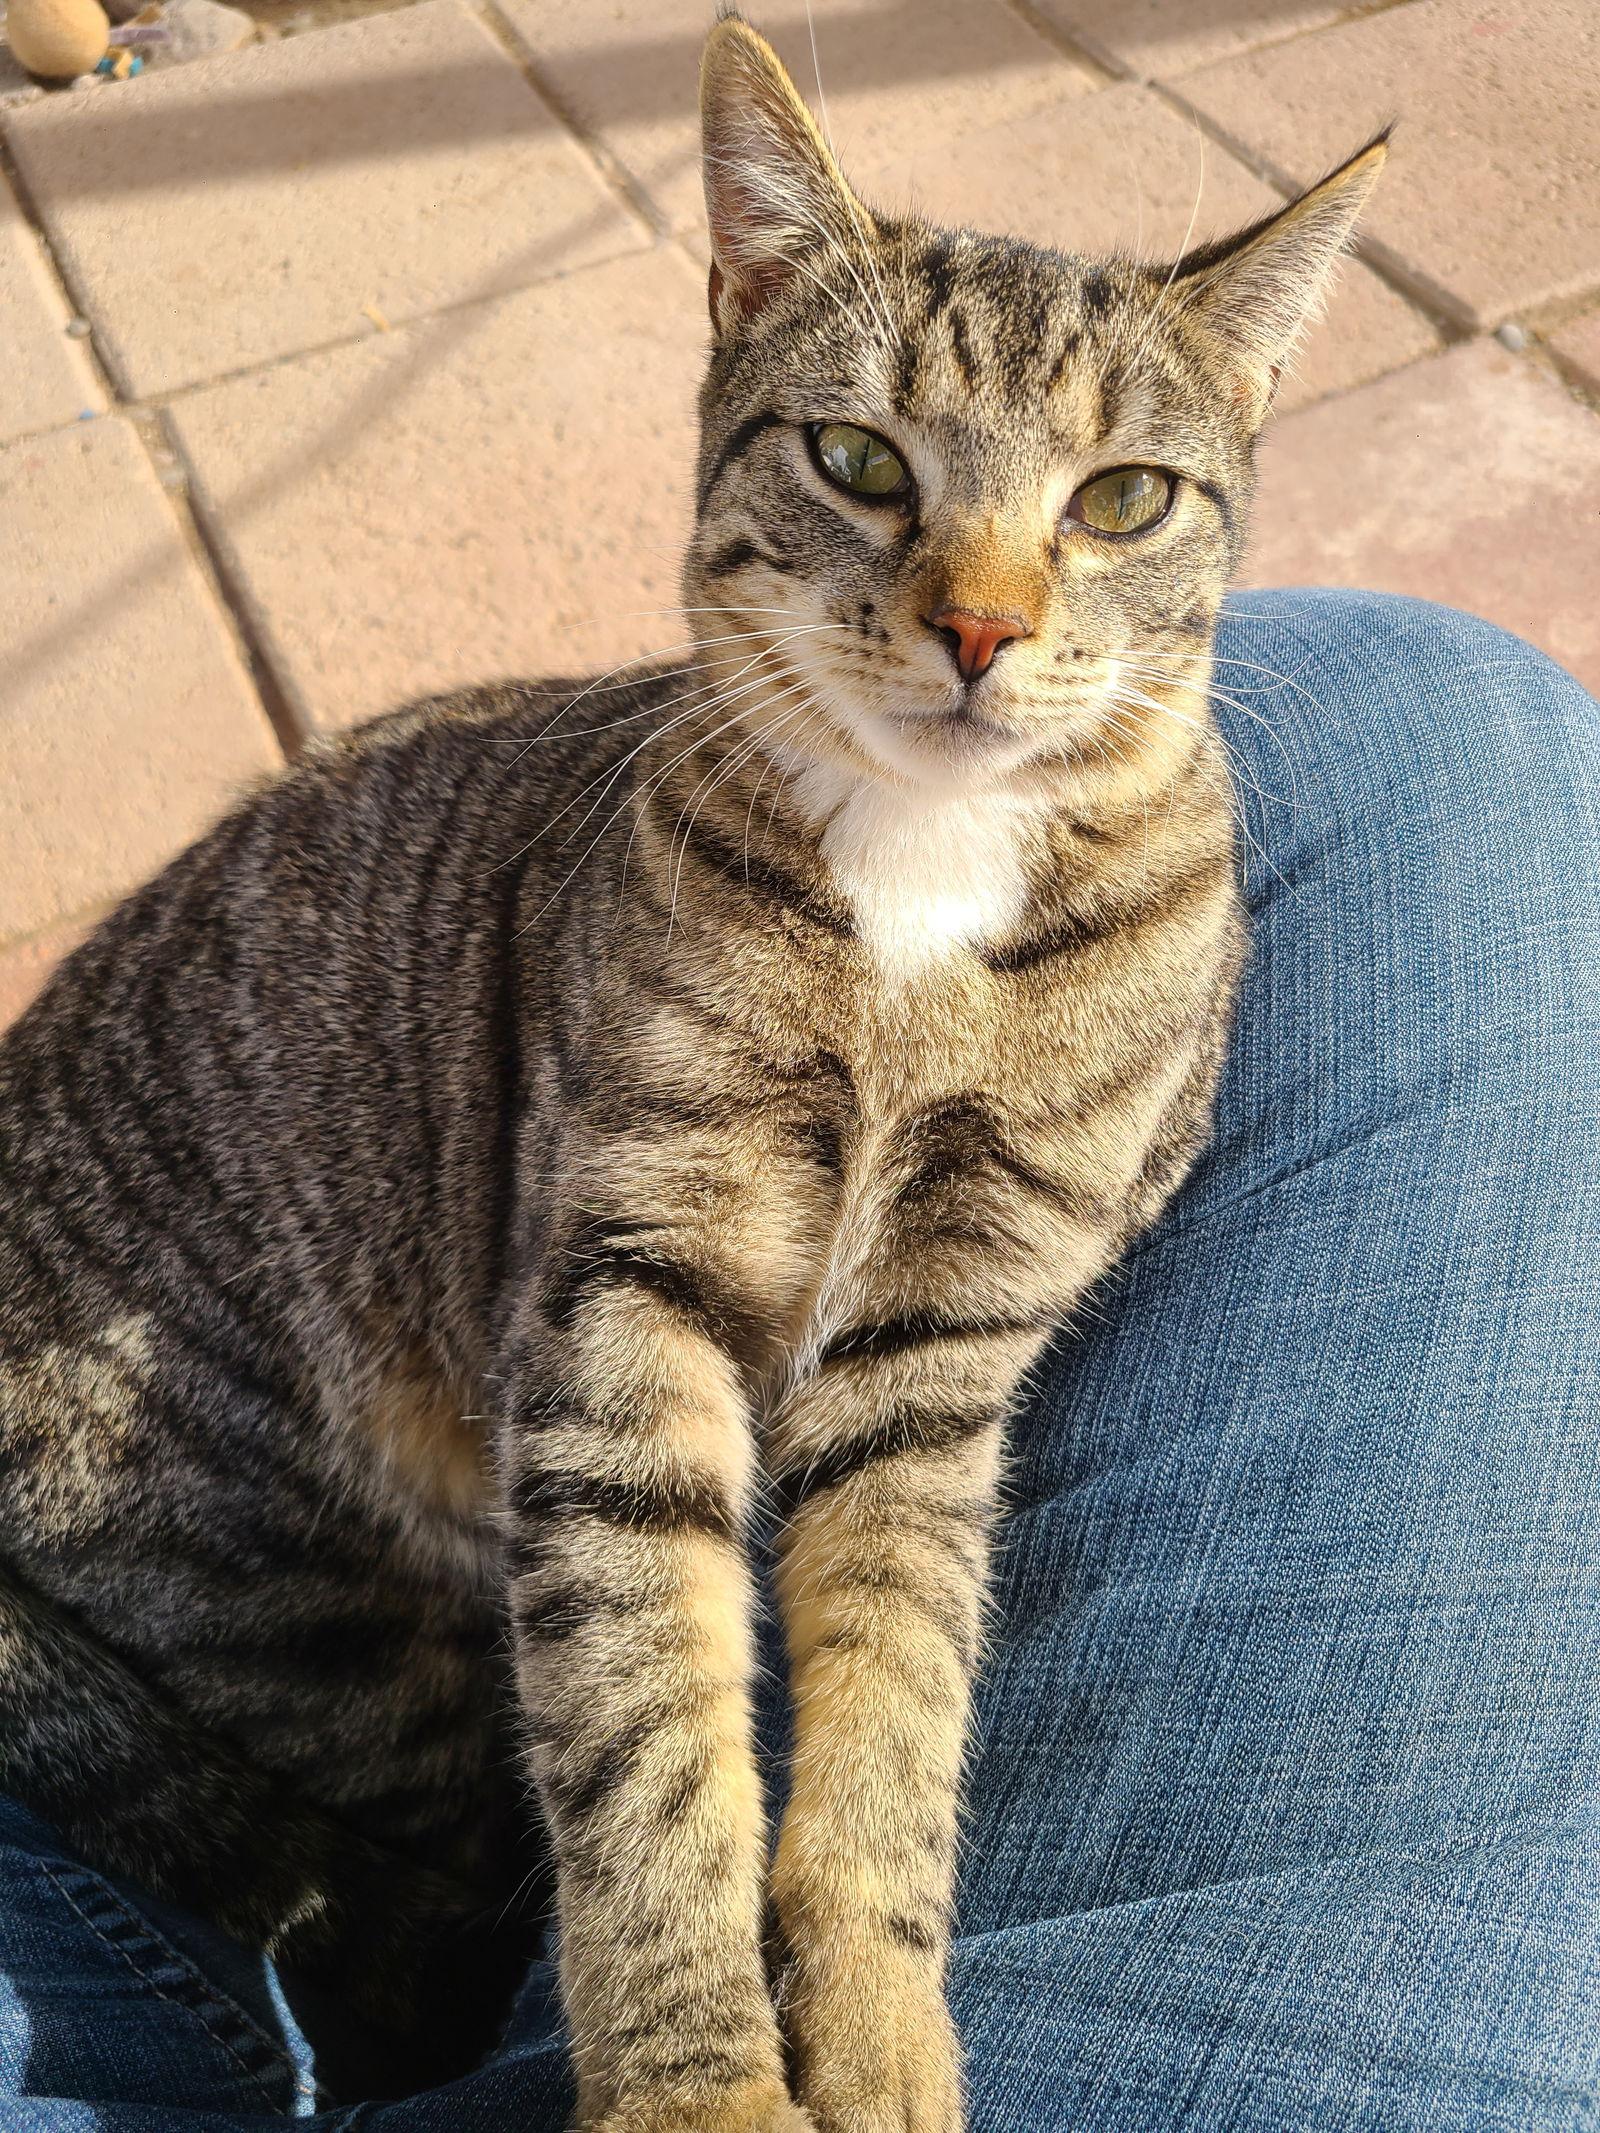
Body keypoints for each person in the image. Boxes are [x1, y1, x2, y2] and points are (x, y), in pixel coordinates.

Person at [3, 589, 1597, 2133]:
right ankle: (420, 1991)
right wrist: (678, 2042)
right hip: (205, 1556)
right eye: (861, 461)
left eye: (1112, 505)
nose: (985, 608)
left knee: (1427, 705)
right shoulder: (670, 854)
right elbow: (619, 1418)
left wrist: (874, 1917)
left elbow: (920, 1400)